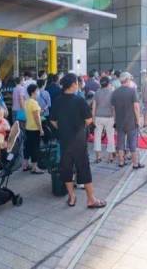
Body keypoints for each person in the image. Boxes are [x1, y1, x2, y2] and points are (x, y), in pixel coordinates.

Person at [49, 74, 106, 209]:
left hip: (64, 140)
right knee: (83, 168)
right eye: (77, 82)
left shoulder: (57, 101)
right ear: (73, 85)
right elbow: (89, 120)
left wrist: (63, 128)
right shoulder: (79, 100)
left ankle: (72, 197)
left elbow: (53, 121)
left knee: (66, 168)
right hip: (79, 140)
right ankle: (91, 199)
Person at [112, 72, 144, 169]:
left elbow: (113, 109)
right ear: (127, 80)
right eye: (130, 79)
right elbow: (136, 107)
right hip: (131, 122)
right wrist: (138, 120)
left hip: (119, 122)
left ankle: (121, 162)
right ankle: (135, 163)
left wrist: (115, 121)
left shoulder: (115, 92)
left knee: (120, 143)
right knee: (133, 144)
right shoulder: (132, 91)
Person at [92, 76, 115, 163]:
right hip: (109, 117)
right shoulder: (112, 93)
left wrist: (93, 118)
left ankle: (98, 156)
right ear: (108, 84)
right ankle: (110, 157)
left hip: (98, 117)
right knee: (110, 137)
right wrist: (115, 118)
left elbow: (94, 106)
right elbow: (113, 107)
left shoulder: (97, 92)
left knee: (97, 137)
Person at [23, 84, 44, 173]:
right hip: (34, 129)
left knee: (28, 147)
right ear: (33, 92)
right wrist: (41, 129)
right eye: (37, 90)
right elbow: (36, 117)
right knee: (35, 148)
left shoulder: (27, 102)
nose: (38, 92)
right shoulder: (34, 103)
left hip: (28, 127)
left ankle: (25, 165)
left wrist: (39, 111)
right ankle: (35, 167)